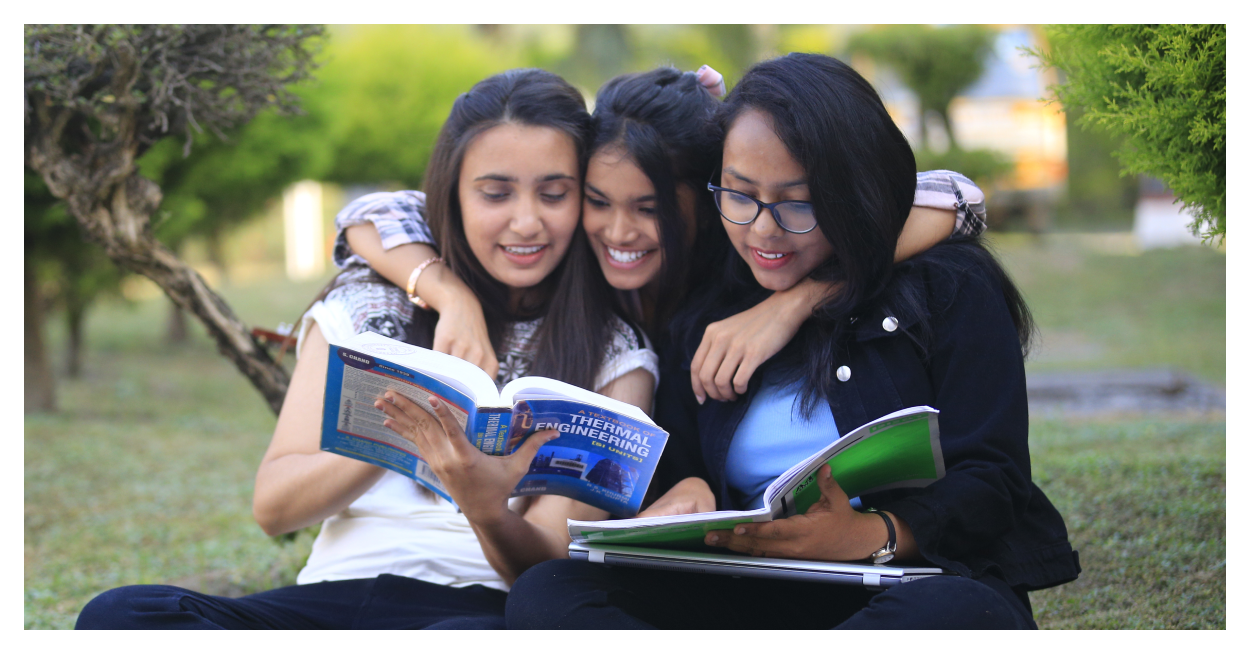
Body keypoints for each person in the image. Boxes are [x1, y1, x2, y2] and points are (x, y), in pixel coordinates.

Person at [504, 53, 1080, 630]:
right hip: (752, 587)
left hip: (907, 583)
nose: (763, 230)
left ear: (854, 189)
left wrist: (869, 535)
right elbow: (682, 462)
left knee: (961, 614)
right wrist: (692, 488)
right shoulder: (710, 306)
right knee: (550, 593)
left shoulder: (949, 288)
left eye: (798, 202)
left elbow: (994, 482)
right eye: (740, 194)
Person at [75, 68, 655, 630]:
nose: (526, 221)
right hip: (331, 598)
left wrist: (483, 503)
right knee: (121, 613)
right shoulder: (367, 308)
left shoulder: (615, 353)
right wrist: (403, 422)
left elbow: (549, 565)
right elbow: (275, 508)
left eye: (555, 194)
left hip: (475, 606)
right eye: (495, 193)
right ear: (451, 197)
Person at [338, 66, 989, 413]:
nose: (618, 232)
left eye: (648, 209)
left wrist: (794, 301)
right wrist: (449, 294)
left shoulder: (740, 259)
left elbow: (956, 196)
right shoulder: (561, 253)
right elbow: (371, 212)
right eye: (595, 200)